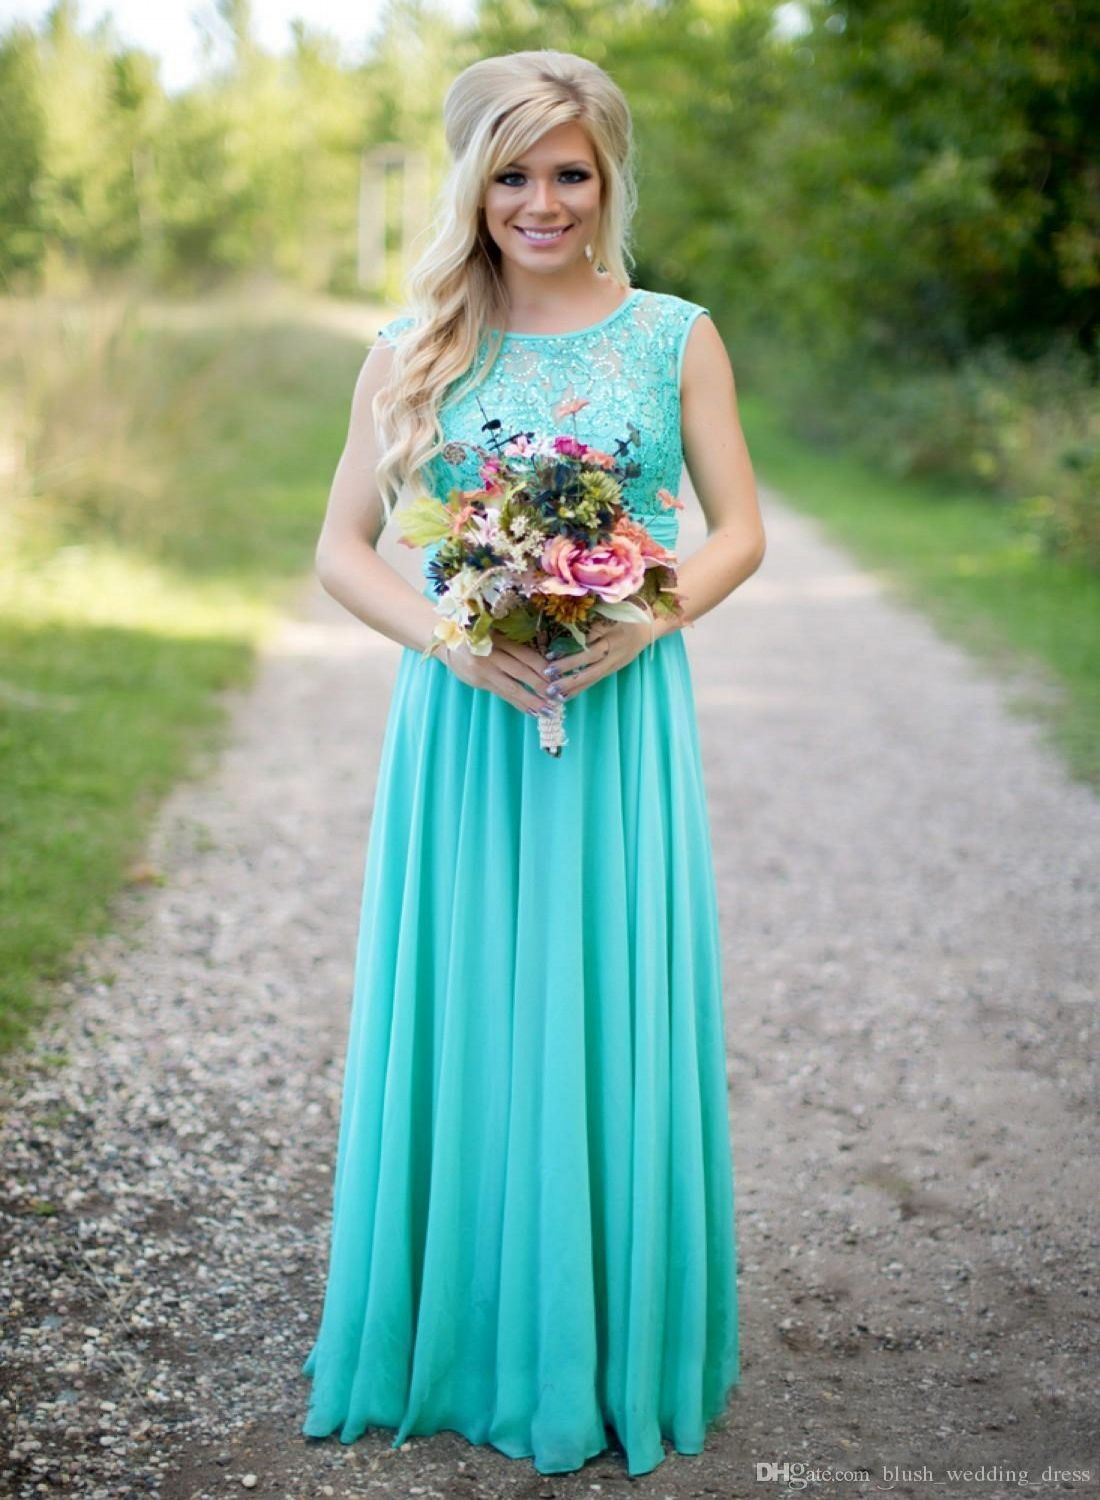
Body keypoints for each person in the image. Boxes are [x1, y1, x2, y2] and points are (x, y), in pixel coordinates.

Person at [300, 47, 766, 1480]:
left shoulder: (674, 332)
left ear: (609, 177)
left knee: (603, 1001)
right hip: (467, 724)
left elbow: (738, 528)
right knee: (476, 1006)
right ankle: (468, 1327)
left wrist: (640, 620)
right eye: (513, 173)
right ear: (472, 181)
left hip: (616, 714)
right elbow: (340, 555)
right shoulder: (416, 346)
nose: (542, 201)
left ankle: (613, 1335)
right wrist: (453, 643)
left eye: (571, 171)